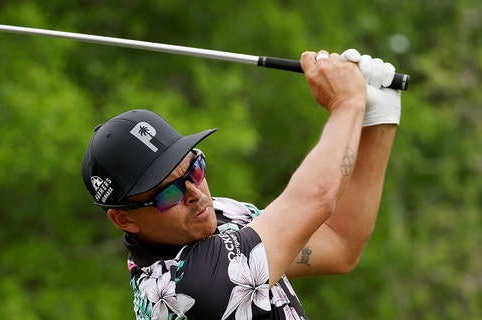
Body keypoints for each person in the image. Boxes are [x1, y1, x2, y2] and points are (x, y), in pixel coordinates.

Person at [81, 48, 401, 319]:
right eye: (168, 193)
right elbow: (315, 199)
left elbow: (339, 243)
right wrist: (347, 105)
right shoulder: (181, 290)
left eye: (194, 169)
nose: (195, 195)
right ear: (124, 219)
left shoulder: (219, 216)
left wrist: (378, 119)